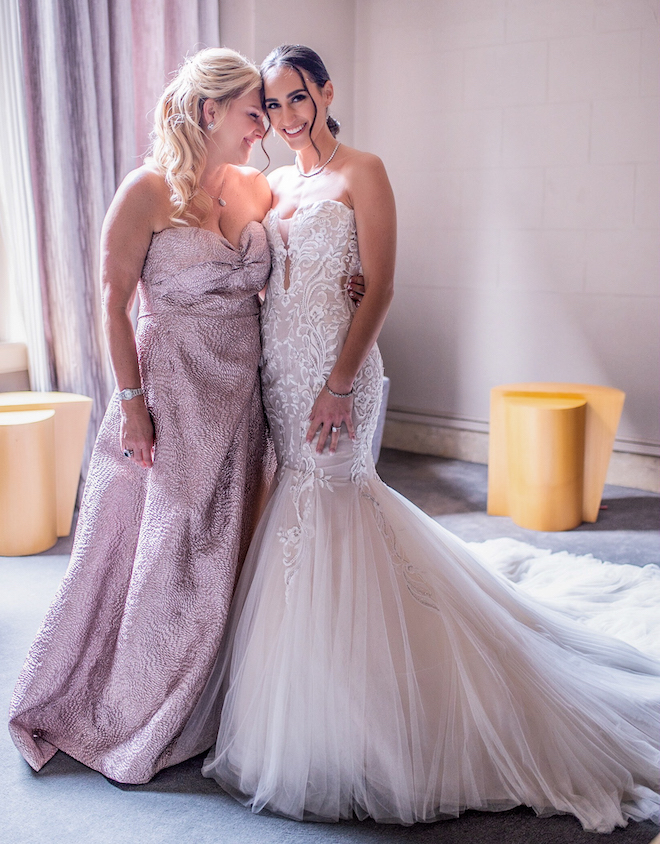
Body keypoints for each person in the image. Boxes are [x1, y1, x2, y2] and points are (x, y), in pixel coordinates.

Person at [184, 45, 660, 833]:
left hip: (338, 372)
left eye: (297, 99)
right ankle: (319, 691)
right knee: (302, 513)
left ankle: (370, 709)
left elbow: (385, 284)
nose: (285, 118)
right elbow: (258, 265)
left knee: (335, 506)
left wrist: (341, 380)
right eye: (271, 106)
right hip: (281, 368)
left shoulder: (363, 171)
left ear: (326, 91)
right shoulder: (272, 184)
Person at [9, 48, 277, 785]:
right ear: (210, 110)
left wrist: (350, 273)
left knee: (224, 544)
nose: (265, 124)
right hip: (172, 390)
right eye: (255, 110)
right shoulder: (148, 190)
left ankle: (210, 692)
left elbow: (304, 250)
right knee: (165, 548)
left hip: (240, 397)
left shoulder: (259, 187)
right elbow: (112, 303)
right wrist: (132, 407)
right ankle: (134, 700)